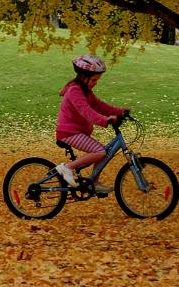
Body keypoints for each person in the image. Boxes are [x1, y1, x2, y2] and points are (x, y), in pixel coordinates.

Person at [54, 54, 129, 194]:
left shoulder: (86, 91)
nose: (96, 83)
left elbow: (99, 106)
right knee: (100, 151)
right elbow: (86, 111)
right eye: (94, 79)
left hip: (77, 132)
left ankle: (93, 182)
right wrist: (105, 120)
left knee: (104, 153)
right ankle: (67, 168)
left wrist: (119, 112)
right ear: (83, 77)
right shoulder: (74, 91)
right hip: (69, 132)